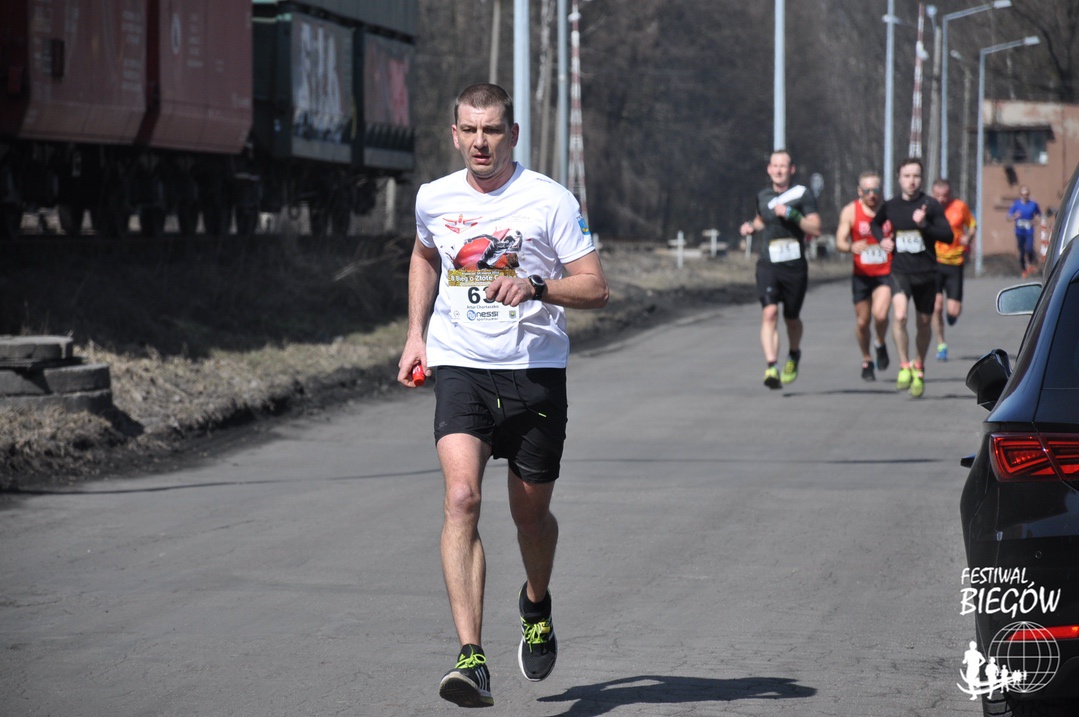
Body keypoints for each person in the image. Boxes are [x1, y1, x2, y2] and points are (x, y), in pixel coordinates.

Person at [397, 83, 609, 709]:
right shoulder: (434, 197)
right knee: (461, 498)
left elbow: (596, 287)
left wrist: (537, 286)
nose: (480, 142)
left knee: (529, 516)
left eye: (492, 130)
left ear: (512, 134)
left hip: (534, 373)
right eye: (469, 130)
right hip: (461, 366)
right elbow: (425, 255)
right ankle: (472, 658)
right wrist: (415, 335)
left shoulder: (550, 200)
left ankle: (536, 603)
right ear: (454, 134)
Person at [739, 150, 822, 389]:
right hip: (769, 264)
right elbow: (761, 219)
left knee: (791, 319)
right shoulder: (763, 196)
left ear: (791, 170)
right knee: (769, 313)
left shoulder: (802, 194)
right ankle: (772, 366)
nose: (778, 170)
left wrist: (792, 214)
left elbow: (815, 229)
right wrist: (750, 227)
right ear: (769, 169)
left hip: (795, 267)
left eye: (783, 166)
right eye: (774, 166)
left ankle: (794, 353)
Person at [869, 158, 952, 398]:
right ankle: (904, 365)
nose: (911, 181)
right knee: (900, 315)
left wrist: (924, 224)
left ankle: (919, 365)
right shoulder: (891, 205)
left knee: (924, 323)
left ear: (921, 179)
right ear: (899, 178)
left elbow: (947, 236)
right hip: (900, 271)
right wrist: (882, 240)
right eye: (907, 176)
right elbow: (875, 224)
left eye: (916, 176)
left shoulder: (930, 205)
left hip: (927, 273)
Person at [835, 171, 892, 381]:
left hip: (885, 272)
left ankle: (880, 342)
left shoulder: (889, 210)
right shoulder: (851, 211)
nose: (871, 195)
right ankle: (867, 358)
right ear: (860, 191)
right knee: (862, 322)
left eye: (875, 190)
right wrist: (851, 246)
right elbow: (839, 242)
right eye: (867, 191)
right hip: (861, 274)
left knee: (881, 315)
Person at [930, 179, 976, 362]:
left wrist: (969, 237)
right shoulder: (928, 209)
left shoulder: (959, 206)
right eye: (937, 196)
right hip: (934, 262)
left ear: (949, 194)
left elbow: (972, 225)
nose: (941, 199)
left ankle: (952, 315)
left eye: (945, 196)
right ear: (933, 194)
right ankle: (941, 344)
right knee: (936, 306)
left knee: (953, 311)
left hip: (955, 262)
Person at [1006, 186, 1041, 277]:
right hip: (1019, 231)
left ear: (1029, 195)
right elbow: (1008, 217)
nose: (1025, 196)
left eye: (1027, 194)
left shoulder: (1033, 204)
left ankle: (1030, 264)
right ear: (1020, 195)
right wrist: (1015, 216)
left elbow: (1039, 215)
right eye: (1023, 194)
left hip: (1029, 230)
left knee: (1029, 248)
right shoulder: (1016, 205)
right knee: (1021, 251)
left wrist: (1035, 221)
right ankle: (1023, 269)